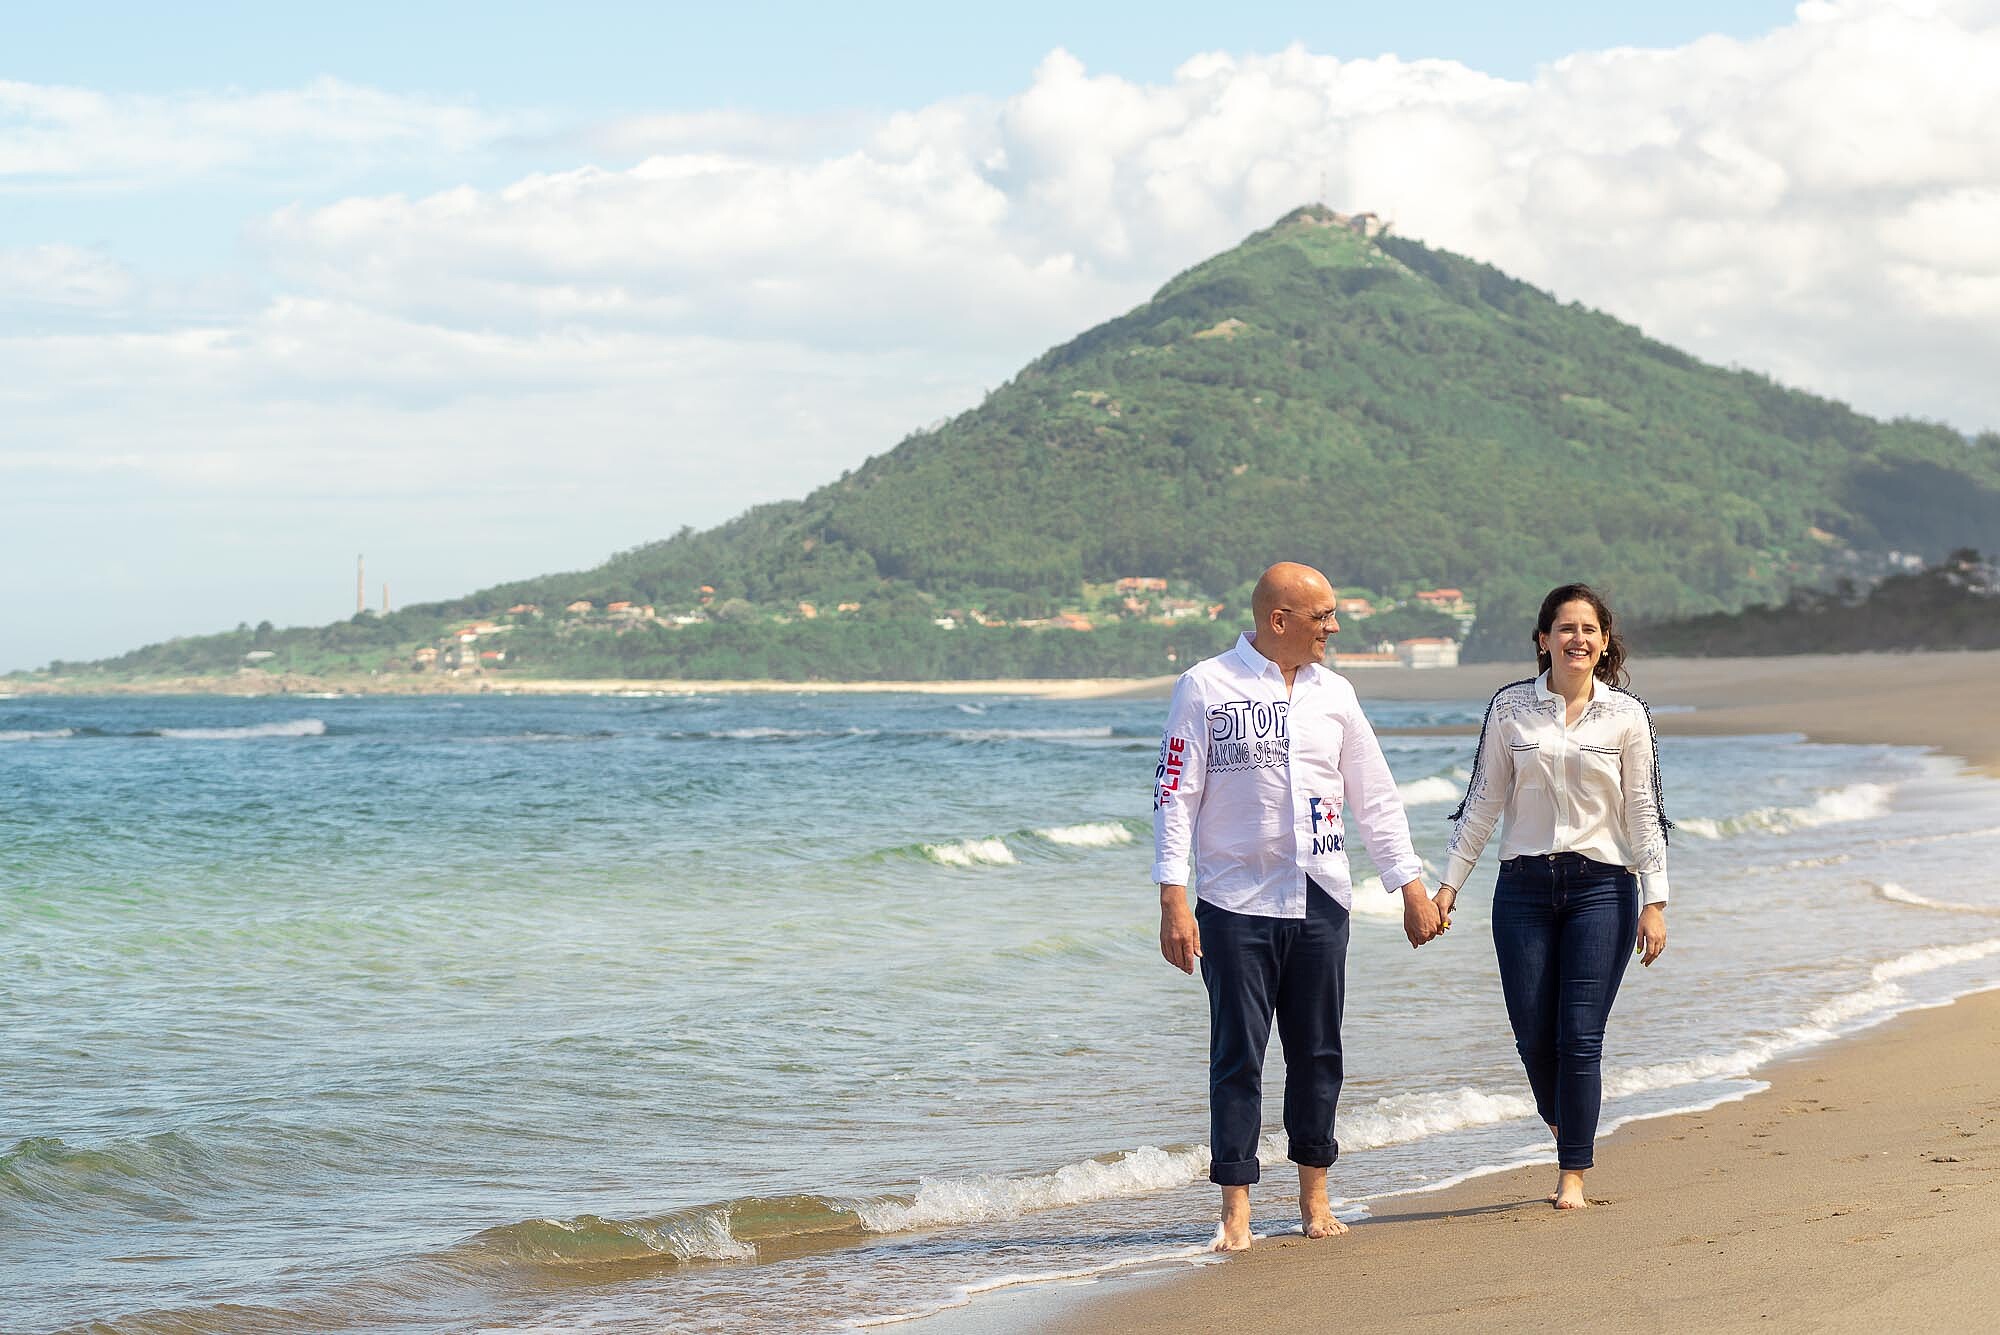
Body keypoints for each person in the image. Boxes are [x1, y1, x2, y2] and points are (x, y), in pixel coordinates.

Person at [1154, 561, 1442, 1252]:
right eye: (1322, 617)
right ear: (1278, 620)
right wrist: (1173, 897)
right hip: (1232, 899)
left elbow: (1374, 796)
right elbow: (1174, 792)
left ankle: (1315, 1196)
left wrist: (1409, 886)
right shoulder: (1205, 685)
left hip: (1321, 896)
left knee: (1317, 1052)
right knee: (1237, 1055)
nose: (1333, 628)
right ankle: (1237, 1210)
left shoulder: (1336, 695)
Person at [1433, 583, 1671, 1210]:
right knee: (1533, 1036)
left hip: (1603, 889)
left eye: (1589, 629)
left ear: (1604, 642)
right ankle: (1568, 1120)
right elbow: (1483, 800)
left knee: (1580, 1036)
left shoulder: (1627, 714)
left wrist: (1656, 900)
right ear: (1543, 640)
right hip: (1524, 891)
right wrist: (1448, 886)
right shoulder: (1511, 708)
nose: (1577, 639)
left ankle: (1573, 1173)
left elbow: (1644, 810)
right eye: (1565, 628)